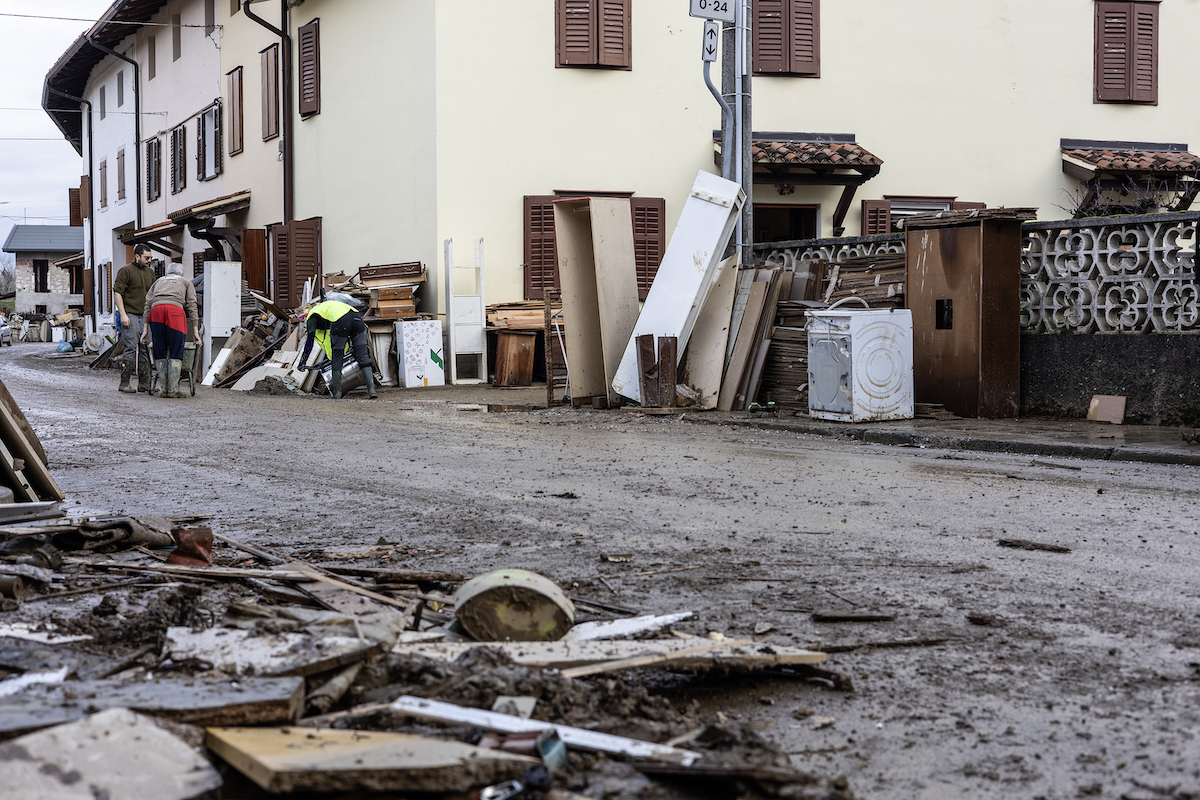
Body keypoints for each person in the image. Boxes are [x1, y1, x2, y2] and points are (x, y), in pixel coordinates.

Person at [141, 262, 201, 398]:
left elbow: (147, 303)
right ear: (182, 274)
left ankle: (164, 390)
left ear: (167, 273)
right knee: (176, 351)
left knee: (160, 350)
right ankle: (172, 390)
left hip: (155, 311)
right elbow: (192, 305)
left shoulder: (158, 281)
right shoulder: (186, 282)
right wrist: (196, 332)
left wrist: (145, 329)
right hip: (175, 312)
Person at [299, 298, 377, 399]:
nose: (302, 319)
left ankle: (337, 393)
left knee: (337, 357)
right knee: (363, 356)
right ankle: (372, 391)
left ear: (305, 312)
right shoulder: (324, 308)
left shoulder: (312, 315)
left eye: (301, 317)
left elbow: (309, 341)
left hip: (341, 320)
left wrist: (303, 361)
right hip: (357, 318)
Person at [112, 244, 157, 393]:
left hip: (146, 317)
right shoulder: (125, 271)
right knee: (130, 348)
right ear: (137, 256)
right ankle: (124, 383)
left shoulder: (150, 272)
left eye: (150, 257)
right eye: (146, 257)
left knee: (145, 348)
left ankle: (144, 383)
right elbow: (117, 293)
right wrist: (123, 314)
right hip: (130, 315)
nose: (149, 260)